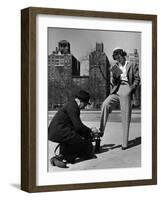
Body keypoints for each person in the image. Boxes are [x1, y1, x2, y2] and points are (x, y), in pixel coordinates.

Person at [99, 48, 140, 150]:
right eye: (116, 59)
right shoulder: (116, 67)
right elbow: (114, 82)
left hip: (127, 88)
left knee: (125, 116)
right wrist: (115, 76)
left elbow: (137, 79)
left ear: (123, 55)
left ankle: (124, 143)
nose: (118, 60)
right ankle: (100, 132)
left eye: (120, 58)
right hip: (117, 89)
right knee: (105, 104)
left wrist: (131, 88)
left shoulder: (132, 65)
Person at [48, 90, 99, 168]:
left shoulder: (71, 105)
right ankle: (60, 158)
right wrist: (90, 131)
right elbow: (78, 126)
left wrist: (87, 132)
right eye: (85, 104)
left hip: (57, 131)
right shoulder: (73, 107)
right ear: (81, 101)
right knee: (79, 141)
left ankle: (62, 156)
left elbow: (76, 126)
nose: (85, 107)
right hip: (59, 131)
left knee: (74, 138)